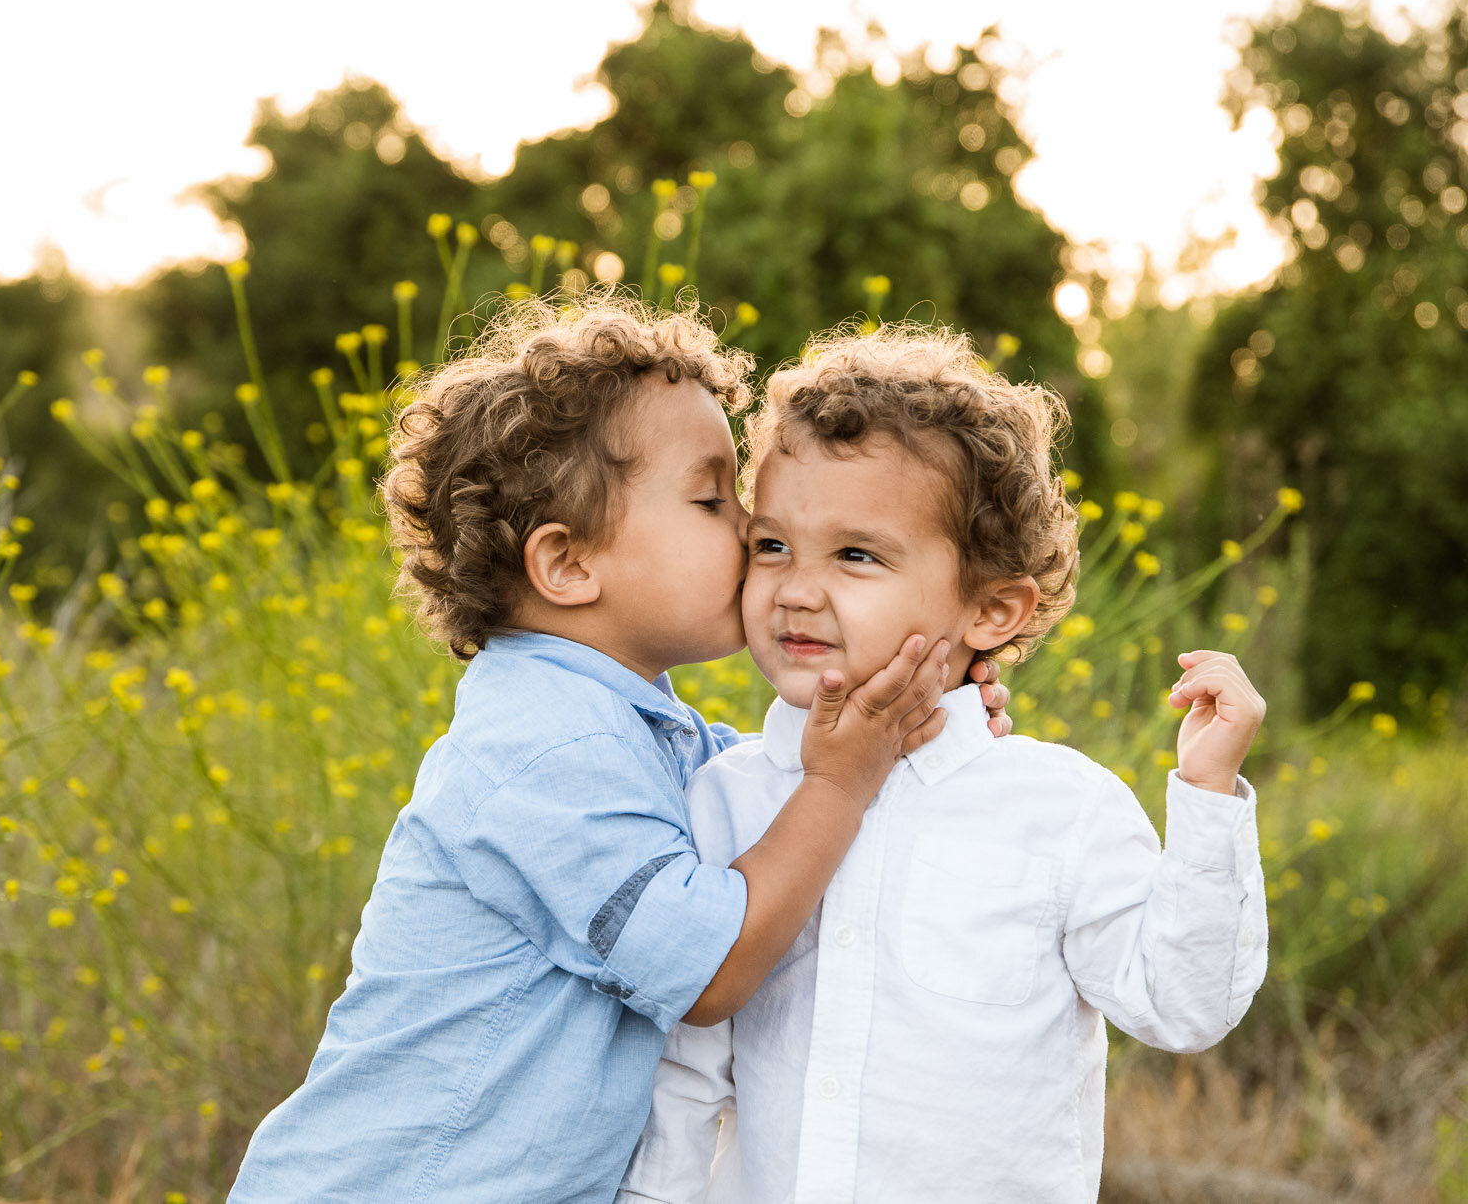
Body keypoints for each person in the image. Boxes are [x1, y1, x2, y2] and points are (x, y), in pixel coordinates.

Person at [228, 296, 1011, 1202]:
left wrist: (925, 713)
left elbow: (766, 780)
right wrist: (842, 779)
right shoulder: (541, 751)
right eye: (715, 499)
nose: (750, 529)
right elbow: (713, 968)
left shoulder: (636, 728)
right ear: (567, 565)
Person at [617, 324, 1270, 1204]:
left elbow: (1182, 1004)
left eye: (857, 554)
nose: (797, 588)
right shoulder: (720, 797)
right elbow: (683, 1081)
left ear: (993, 608)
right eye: (772, 545)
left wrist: (1207, 791)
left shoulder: (1060, 807)